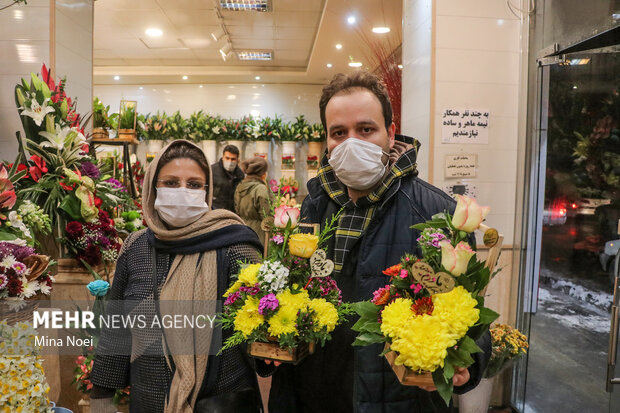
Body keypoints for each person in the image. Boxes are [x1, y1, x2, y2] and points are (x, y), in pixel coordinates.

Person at [268, 72, 491, 413]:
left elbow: (469, 311)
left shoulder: (437, 212)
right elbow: (292, 291)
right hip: (317, 393)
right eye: (338, 133)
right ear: (326, 140)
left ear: (391, 132)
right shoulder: (313, 205)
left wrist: (467, 364)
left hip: (401, 399)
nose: (351, 142)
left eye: (366, 129)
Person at [90, 140, 271, 413]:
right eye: (171, 183)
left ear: (207, 190)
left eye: (195, 184)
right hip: (149, 398)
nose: (183, 191)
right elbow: (117, 330)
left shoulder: (235, 245)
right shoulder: (136, 247)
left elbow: (260, 332)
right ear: (153, 187)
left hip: (220, 400)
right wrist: (101, 397)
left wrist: (278, 337)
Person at [234, 156, 271, 246]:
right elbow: (266, 215)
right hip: (259, 233)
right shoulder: (260, 189)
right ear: (262, 173)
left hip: (243, 230)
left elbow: (237, 209)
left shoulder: (240, 186)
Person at [211, 144, 245, 211]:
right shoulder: (212, 171)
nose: (230, 161)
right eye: (227, 158)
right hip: (215, 209)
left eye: (233, 159)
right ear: (223, 157)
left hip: (232, 211)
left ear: (237, 160)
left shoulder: (240, 174)